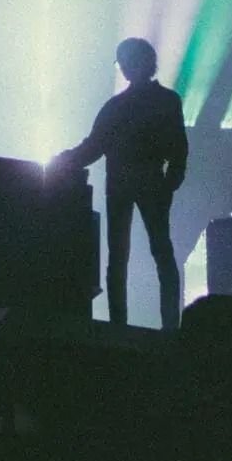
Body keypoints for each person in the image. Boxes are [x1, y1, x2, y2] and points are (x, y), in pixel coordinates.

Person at [52, 39, 188, 330]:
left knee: (119, 257)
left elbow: (93, 147)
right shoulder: (167, 100)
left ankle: (119, 326)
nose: (123, 67)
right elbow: (178, 147)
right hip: (149, 183)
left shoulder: (116, 106)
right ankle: (170, 327)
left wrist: (63, 161)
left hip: (120, 185)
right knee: (159, 253)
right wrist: (169, 183)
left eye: (124, 61)